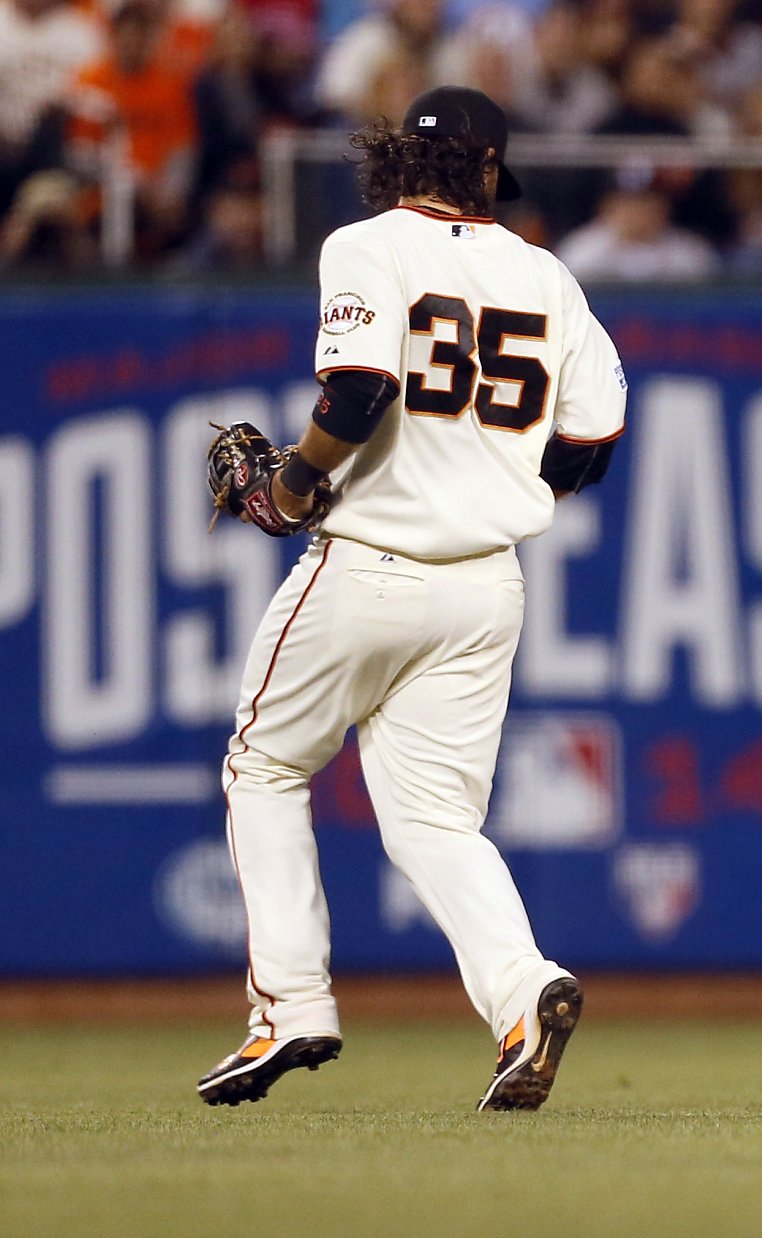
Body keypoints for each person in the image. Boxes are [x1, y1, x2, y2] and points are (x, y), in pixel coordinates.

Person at [197, 86, 627, 1112]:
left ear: (396, 164)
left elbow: (357, 392)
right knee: (437, 820)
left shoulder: (366, 244)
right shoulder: (546, 274)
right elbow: (592, 439)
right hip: (484, 585)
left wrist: (295, 483)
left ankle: (291, 1005)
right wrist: (490, 481)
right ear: (488, 171)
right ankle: (525, 994)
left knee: (261, 764)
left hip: (369, 565)